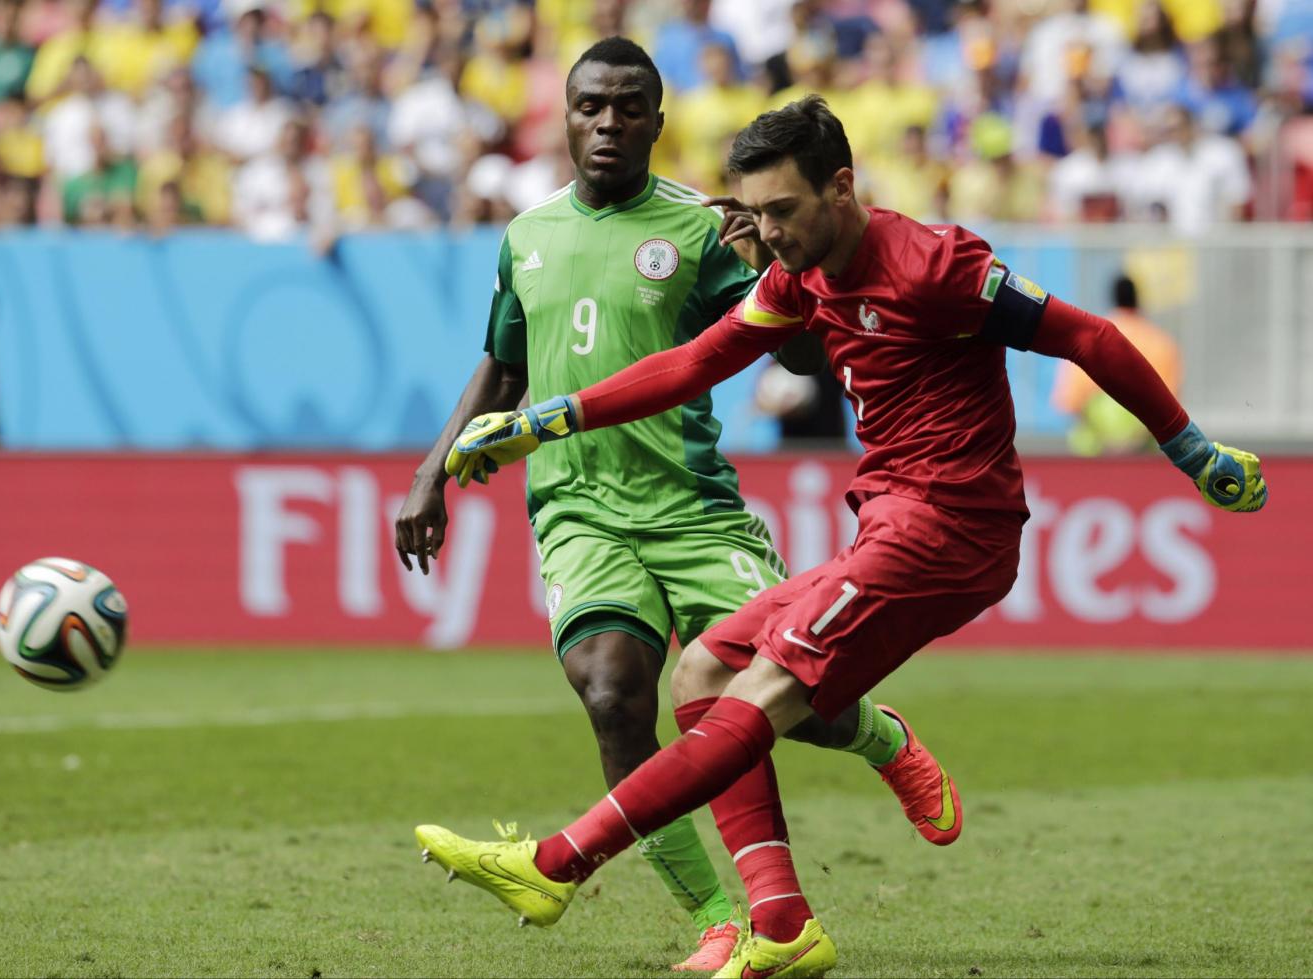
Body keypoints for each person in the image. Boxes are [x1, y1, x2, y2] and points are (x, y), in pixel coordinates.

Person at [417, 96, 1268, 979]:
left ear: (842, 188)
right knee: (703, 671)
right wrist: (550, 417)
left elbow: (1089, 335)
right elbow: (696, 362)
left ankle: (558, 863)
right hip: (889, 521)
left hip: (952, 527)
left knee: (761, 695)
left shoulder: (936, 266)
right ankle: (784, 924)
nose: (767, 234)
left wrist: (1192, 450)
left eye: (783, 210)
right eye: (757, 214)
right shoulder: (799, 277)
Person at [395, 47, 959, 975]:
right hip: (577, 509)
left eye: (628, 108)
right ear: (565, 118)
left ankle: (879, 735)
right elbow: (503, 367)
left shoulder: (704, 229)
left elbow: (803, 352)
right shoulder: (527, 235)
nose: (607, 123)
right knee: (614, 696)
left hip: (693, 507)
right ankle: (718, 918)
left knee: (785, 700)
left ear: (658, 123)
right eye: (590, 107)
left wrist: (766, 263)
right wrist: (432, 471)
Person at [1052, 274, 1183, 455]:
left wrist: (1107, 439)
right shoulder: (1160, 342)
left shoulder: (1089, 337)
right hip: (1145, 446)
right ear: (1138, 299)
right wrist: (1133, 439)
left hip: (1097, 448)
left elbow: (1071, 403)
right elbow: (1169, 402)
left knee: (1080, 435)